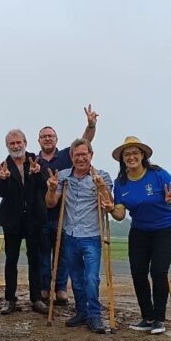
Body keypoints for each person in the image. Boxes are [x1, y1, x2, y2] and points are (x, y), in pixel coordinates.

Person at [109, 136, 171, 335]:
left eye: (135, 153)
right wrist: (109, 208)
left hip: (168, 228)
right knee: (138, 272)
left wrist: (170, 201)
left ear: (143, 155)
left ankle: (159, 319)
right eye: (127, 154)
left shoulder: (159, 174)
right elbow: (120, 215)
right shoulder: (121, 183)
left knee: (158, 270)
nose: (131, 157)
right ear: (122, 159)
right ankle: (147, 317)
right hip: (140, 230)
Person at [46, 138, 113, 334]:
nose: (81, 158)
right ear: (71, 157)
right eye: (77, 155)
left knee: (91, 278)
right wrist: (51, 189)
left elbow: (109, 203)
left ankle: (95, 314)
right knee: (75, 278)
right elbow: (51, 203)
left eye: (84, 154)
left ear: (91, 155)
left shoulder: (102, 176)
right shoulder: (63, 176)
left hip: (92, 235)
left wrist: (101, 187)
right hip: (69, 234)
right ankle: (82, 311)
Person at [37, 105, 99, 306]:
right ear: (39, 141)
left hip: (64, 214)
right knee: (44, 254)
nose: (48, 139)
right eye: (44, 136)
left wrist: (90, 124)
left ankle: (61, 288)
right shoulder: (33, 159)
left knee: (63, 254)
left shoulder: (65, 155)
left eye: (51, 136)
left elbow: (85, 141)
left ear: (56, 139)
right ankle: (45, 287)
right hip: (41, 214)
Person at [0, 129, 49, 315]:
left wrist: (38, 173)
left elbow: (45, 184)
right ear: (7, 146)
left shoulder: (37, 161)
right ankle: (10, 299)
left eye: (19, 142)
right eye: (12, 144)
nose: (16, 146)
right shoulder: (2, 166)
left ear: (25, 143)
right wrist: (4, 179)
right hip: (12, 221)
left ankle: (37, 299)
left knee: (35, 260)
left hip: (34, 219)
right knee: (11, 260)